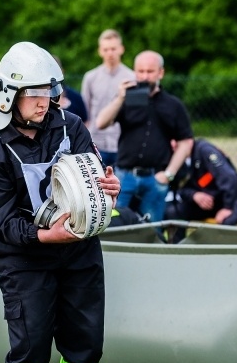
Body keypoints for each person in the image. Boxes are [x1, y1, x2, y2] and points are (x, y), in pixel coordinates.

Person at [0, 42, 120, 363]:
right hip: (26, 259)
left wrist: (110, 189)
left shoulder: (71, 126)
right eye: (33, 94)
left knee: (85, 343)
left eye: (48, 91)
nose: (44, 101)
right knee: (31, 346)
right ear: (8, 96)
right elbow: (1, 223)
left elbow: (94, 181)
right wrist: (44, 237)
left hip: (80, 255)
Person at [95, 49, 194, 223]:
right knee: (112, 225)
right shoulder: (125, 99)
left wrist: (169, 174)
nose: (145, 76)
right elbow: (101, 123)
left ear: (161, 73)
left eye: (150, 71)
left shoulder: (173, 105)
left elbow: (185, 142)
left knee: (152, 230)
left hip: (155, 179)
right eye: (140, 71)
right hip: (124, 177)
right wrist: (120, 98)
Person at [165, 138, 237, 237]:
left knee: (226, 221)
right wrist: (194, 195)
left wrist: (228, 207)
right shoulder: (178, 159)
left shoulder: (205, 150)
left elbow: (229, 178)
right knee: (173, 212)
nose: (173, 145)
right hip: (206, 204)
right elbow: (179, 188)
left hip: (231, 201)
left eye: (177, 142)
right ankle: (176, 249)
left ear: (189, 141)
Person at [80, 29, 135, 166]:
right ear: (100, 51)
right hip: (96, 143)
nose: (110, 53)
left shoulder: (132, 77)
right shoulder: (90, 77)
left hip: (122, 143)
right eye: (106, 49)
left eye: (113, 49)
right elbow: (84, 110)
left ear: (121, 49)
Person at [52, 55, 88, 123]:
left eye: (55, 71)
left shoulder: (76, 97)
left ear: (62, 71)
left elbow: (85, 123)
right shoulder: (40, 100)